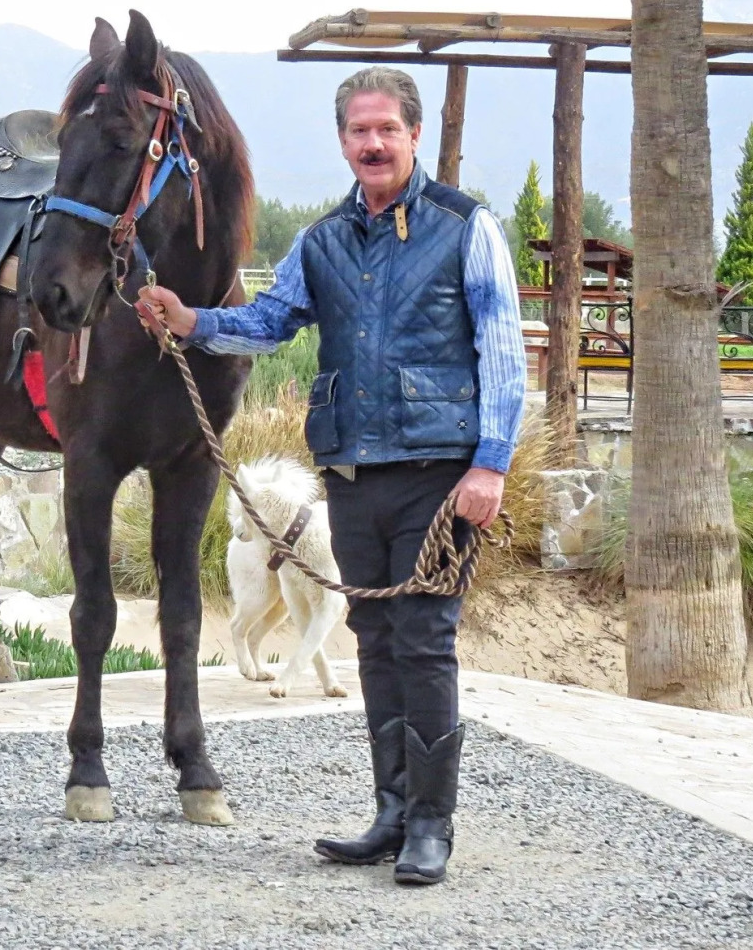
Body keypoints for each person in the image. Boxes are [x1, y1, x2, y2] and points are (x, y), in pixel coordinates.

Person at [137, 66, 525, 886]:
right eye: (359, 131)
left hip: (440, 473)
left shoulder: (467, 227)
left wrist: (490, 463)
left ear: (414, 135)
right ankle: (389, 814)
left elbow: (504, 351)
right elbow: (270, 322)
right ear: (343, 140)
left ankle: (431, 825)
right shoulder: (322, 242)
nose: (373, 144)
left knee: (424, 642)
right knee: (375, 641)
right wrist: (192, 320)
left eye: (387, 129)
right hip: (351, 473)